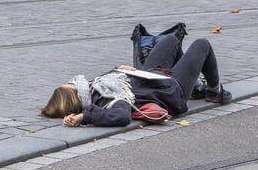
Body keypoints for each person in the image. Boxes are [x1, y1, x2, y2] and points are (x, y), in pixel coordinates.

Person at [41, 35, 233, 127]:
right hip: (170, 90)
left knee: (171, 41)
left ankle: (196, 85)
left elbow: (115, 80)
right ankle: (214, 91)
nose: (76, 81)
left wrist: (119, 69)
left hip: (150, 77)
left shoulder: (94, 87)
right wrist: (85, 117)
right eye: (72, 85)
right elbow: (122, 116)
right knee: (202, 44)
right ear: (77, 96)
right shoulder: (105, 99)